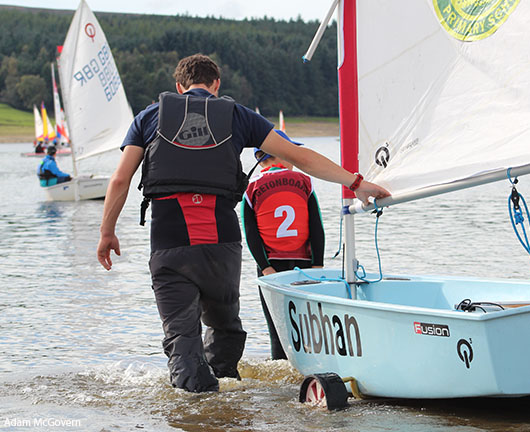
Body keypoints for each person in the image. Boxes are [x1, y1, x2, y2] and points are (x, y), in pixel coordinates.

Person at [95, 53, 389, 393]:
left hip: (170, 245)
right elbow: (299, 157)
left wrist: (106, 232)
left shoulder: (149, 117)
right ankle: (224, 403)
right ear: (216, 85)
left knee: (182, 338)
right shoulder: (236, 116)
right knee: (225, 330)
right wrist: (356, 183)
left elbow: (119, 181)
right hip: (221, 247)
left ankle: (196, 409)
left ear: (178, 87)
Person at [242, 130, 324, 360]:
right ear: (278, 154)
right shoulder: (304, 182)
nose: (295, 161)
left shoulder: (251, 188)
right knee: (307, 322)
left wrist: (264, 266)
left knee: (277, 326)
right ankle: (310, 366)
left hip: (271, 266)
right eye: (291, 154)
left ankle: (281, 371)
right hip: (304, 264)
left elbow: (250, 232)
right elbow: (316, 225)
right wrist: (318, 264)